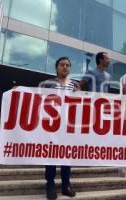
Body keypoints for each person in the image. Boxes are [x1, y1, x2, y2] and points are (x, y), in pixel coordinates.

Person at [39, 57, 79, 200]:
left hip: (68, 125)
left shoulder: (75, 85)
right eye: (62, 65)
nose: (65, 67)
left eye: (67, 65)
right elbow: (36, 98)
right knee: (51, 155)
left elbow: (82, 103)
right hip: (52, 124)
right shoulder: (48, 84)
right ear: (56, 67)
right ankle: (50, 185)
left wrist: (78, 93)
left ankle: (66, 185)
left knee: (66, 155)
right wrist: (18, 90)